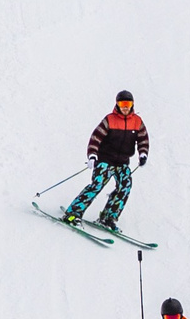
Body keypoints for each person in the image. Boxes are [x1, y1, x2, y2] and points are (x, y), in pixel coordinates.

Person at [62, 91, 147, 230]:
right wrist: (92, 155)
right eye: (122, 104)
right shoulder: (109, 119)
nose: (125, 107)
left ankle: (108, 217)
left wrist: (143, 154)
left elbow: (143, 139)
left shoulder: (137, 122)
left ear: (132, 105)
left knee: (125, 187)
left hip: (122, 163)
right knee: (97, 184)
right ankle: (73, 213)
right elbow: (96, 138)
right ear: (117, 104)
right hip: (105, 160)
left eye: (128, 104)